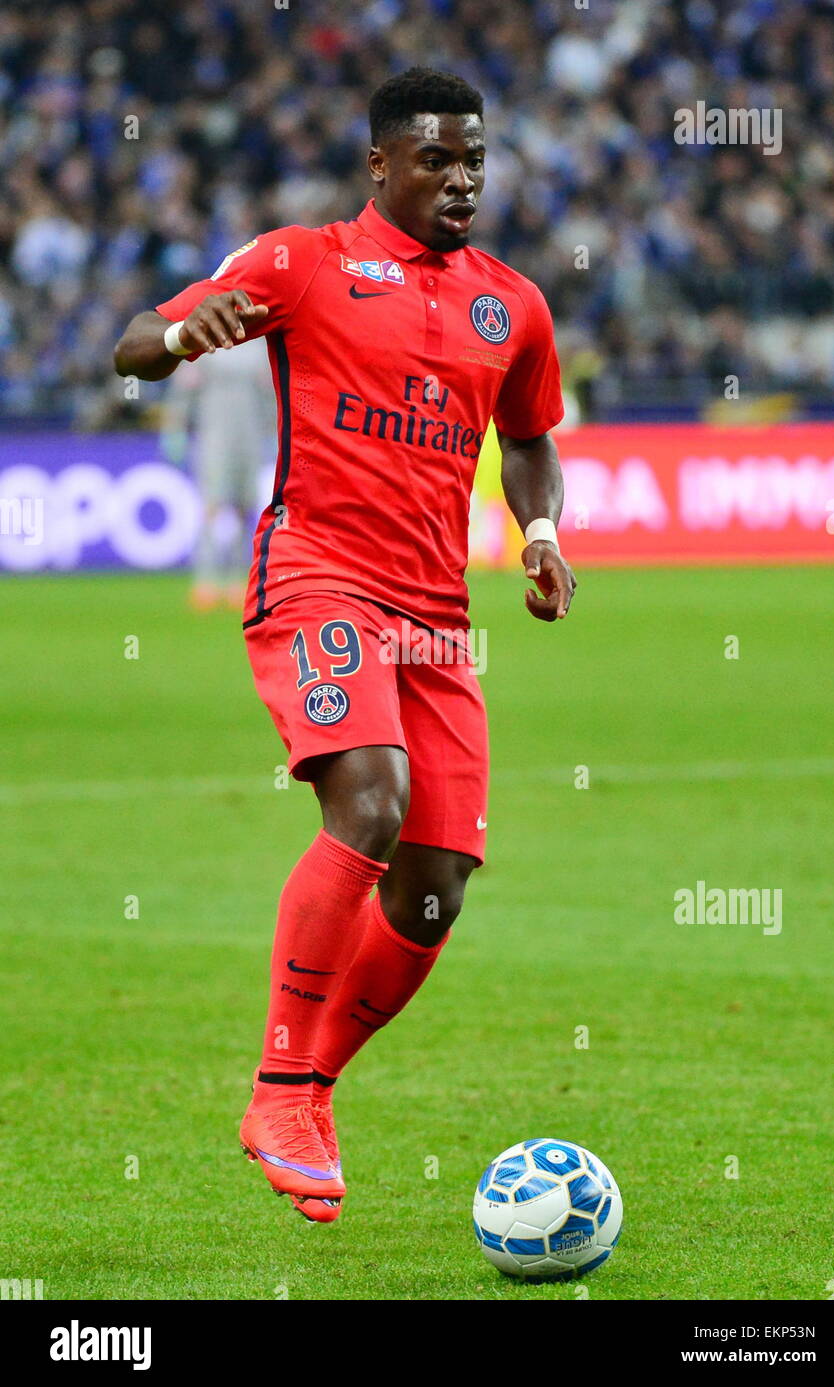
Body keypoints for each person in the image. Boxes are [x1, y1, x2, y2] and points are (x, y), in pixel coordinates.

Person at [113, 67, 575, 1224]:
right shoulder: (301, 261)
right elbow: (133, 346)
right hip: (317, 573)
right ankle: (275, 1087)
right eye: (435, 158)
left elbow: (526, 438)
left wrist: (542, 530)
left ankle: (312, 1084)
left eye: (473, 158)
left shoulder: (510, 303)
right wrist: (178, 330)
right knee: (367, 804)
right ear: (380, 164)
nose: (459, 178)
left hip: (436, 617)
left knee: (432, 896)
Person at [159, 334, 274, 609]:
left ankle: (238, 580)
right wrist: (175, 428)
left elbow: (271, 395)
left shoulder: (260, 348)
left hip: (250, 439)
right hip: (214, 437)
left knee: (243, 510)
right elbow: (183, 392)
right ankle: (206, 581)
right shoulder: (206, 343)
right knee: (212, 507)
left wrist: (274, 430)